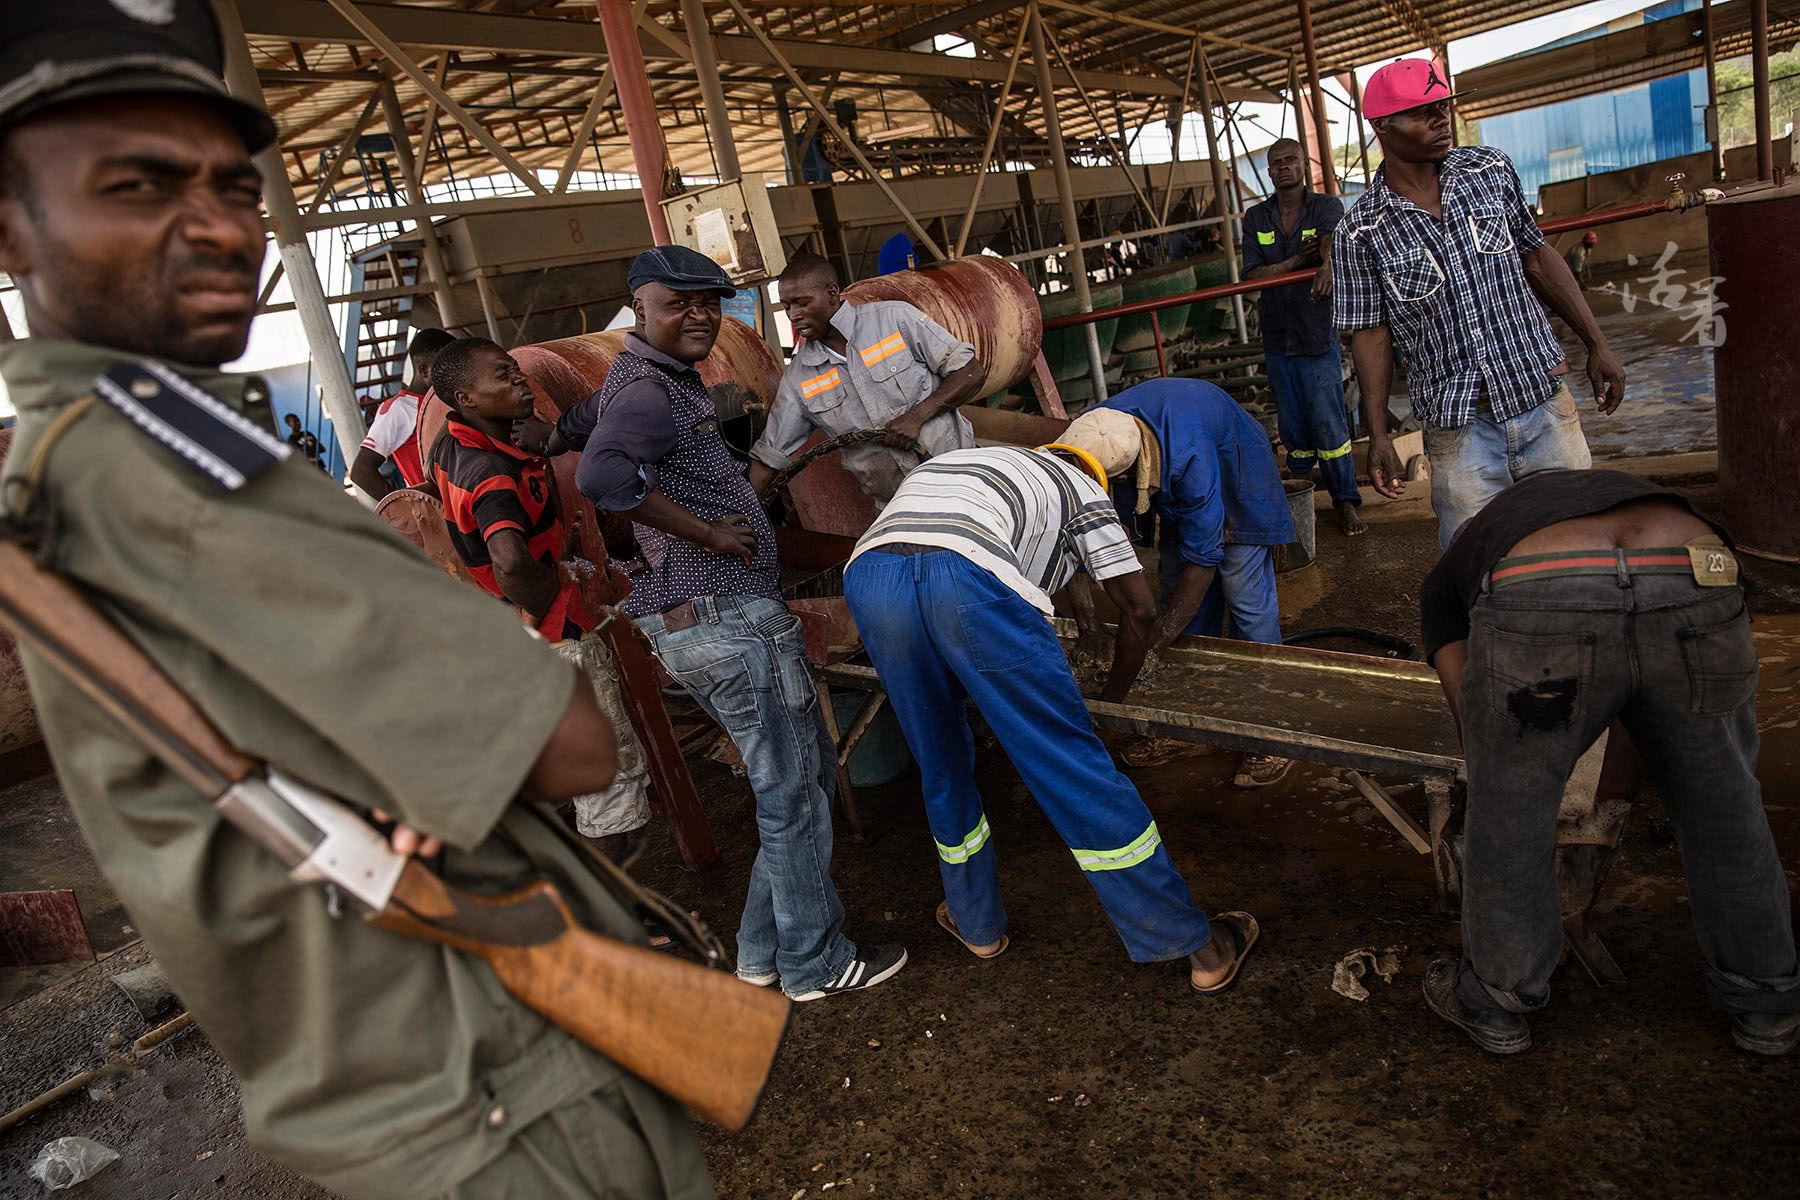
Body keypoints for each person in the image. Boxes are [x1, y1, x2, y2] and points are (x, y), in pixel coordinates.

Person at [0, 6, 712, 1197]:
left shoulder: (77, 466)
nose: (219, 227)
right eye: (136, 184)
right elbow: (571, 743)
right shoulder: (176, 480)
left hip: (425, 1078)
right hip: (494, 1101)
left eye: (235, 186)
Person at [516, 244, 906, 1002]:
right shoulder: (649, 393)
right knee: (797, 794)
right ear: (640, 308)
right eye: (679, 303)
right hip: (727, 616)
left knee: (790, 789)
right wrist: (707, 532)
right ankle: (816, 964)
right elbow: (601, 475)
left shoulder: (636, 377)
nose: (699, 315)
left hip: (706, 619)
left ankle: (761, 955)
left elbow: (577, 429)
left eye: (709, 303)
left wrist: (540, 434)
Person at [842, 444, 1260, 993]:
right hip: (967, 578)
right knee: (1072, 768)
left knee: (940, 761)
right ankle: (1198, 947)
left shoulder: (975, 464)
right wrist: (1110, 702)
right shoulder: (1085, 490)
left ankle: (977, 926)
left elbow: (927, 560)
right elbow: (1138, 609)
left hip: (871, 578)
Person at [1418, 469, 1798, 1057]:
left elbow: (1472, 719)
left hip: (1542, 585)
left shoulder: (1458, 566)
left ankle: (1497, 1002)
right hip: (1695, 567)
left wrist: (1512, 771)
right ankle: (1767, 1003)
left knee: (1510, 814)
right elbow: (1649, 698)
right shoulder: (1619, 491)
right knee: (1725, 803)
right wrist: (1610, 800)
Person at [1332, 57, 1626, 549]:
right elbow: (1372, 335)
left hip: (1540, 400)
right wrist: (1378, 434)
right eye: (1424, 112)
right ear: (1382, 126)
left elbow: (1537, 257)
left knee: (1579, 546)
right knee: (1477, 559)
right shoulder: (1359, 231)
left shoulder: (1489, 170)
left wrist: (1598, 343)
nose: (1441, 118)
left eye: (1443, 107)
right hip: (1458, 428)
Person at [429, 335, 651, 862]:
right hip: (553, 636)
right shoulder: (491, 474)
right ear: (466, 399)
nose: (520, 381)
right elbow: (508, 560)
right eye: (502, 376)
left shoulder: (451, 442)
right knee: (608, 786)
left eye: (516, 370)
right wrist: (553, 600)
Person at [1059, 381, 1298, 787]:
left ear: (1130, 473)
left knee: (1244, 596)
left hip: (1236, 463)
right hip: (1172, 459)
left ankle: (1271, 732)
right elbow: (1078, 534)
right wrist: (1089, 625)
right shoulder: (1089, 435)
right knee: (1174, 582)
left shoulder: (1189, 457)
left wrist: (1154, 640)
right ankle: (1191, 726)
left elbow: (1204, 560)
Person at [747, 252, 987, 504]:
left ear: (832, 293)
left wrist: (917, 416)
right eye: (787, 306)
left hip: (963, 481)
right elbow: (769, 457)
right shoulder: (798, 379)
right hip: (899, 508)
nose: (793, 315)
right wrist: (735, 514)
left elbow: (970, 372)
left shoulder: (895, 320)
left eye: (802, 303)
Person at [1243, 137, 1365, 537]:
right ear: (1269, 171)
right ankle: (1301, 503)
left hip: (1315, 335)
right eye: (1276, 162)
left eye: (1290, 160)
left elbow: (1331, 242)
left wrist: (1327, 264)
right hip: (1278, 337)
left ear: (1303, 165)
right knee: (1293, 427)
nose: (1283, 167)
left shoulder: (1326, 206)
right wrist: (1298, 261)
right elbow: (1252, 275)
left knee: (1328, 422)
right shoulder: (1256, 218)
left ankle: (1345, 501)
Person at [350, 325, 453, 499]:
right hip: (440, 507)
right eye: (447, 369)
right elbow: (362, 470)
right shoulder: (400, 408)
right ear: (424, 370)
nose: (454, 375)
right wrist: (407, 508)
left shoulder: (446, 400)